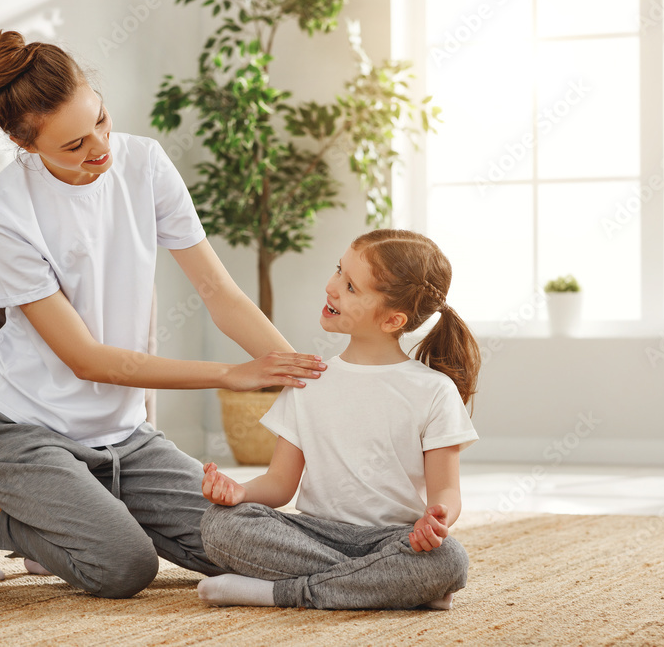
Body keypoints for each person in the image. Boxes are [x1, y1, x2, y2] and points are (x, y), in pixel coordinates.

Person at [0, 30, 327, 598]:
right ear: (24, 144)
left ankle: (70, 515)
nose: (100, 148)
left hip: (123, 436)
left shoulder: (144, 163)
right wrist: (227, 374)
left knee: (248, 546)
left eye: (100, 121)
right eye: (73, 146)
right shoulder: (3, 213)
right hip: (23, 430)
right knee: (123, 565)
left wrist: (296, 373)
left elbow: (217, 290)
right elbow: (87, 360)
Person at [197, 228, 481, 610]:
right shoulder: (308, 381)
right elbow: (281, 484)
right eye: (338, 271)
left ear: (392, 320)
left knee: (449, 561)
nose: (332, 287)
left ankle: (276, 593)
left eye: (350, 286)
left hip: (394, 539)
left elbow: (446, 491)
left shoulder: (434, 391)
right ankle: (388, 585)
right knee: (219, 525)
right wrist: (241, 492)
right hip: (313, 533)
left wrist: (438, 517)